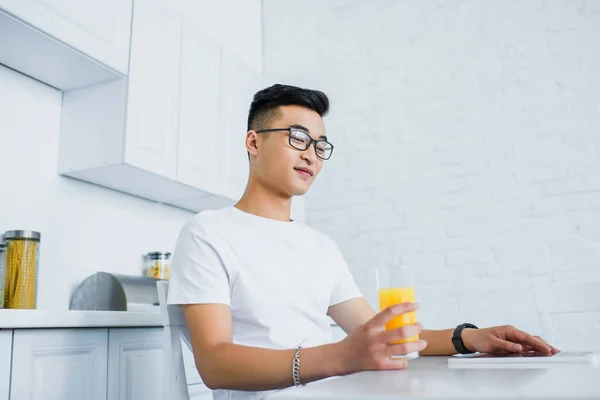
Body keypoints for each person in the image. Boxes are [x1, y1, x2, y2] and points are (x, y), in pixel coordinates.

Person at [167, 84, 559, 400]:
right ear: (254, 142)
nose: (312, 157)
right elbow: (215, 365)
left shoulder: (320, 247)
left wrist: (469, 338)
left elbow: (382, 336)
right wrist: (340, 355)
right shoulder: (209, 232)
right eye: (298, 138)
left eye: (321, 146)